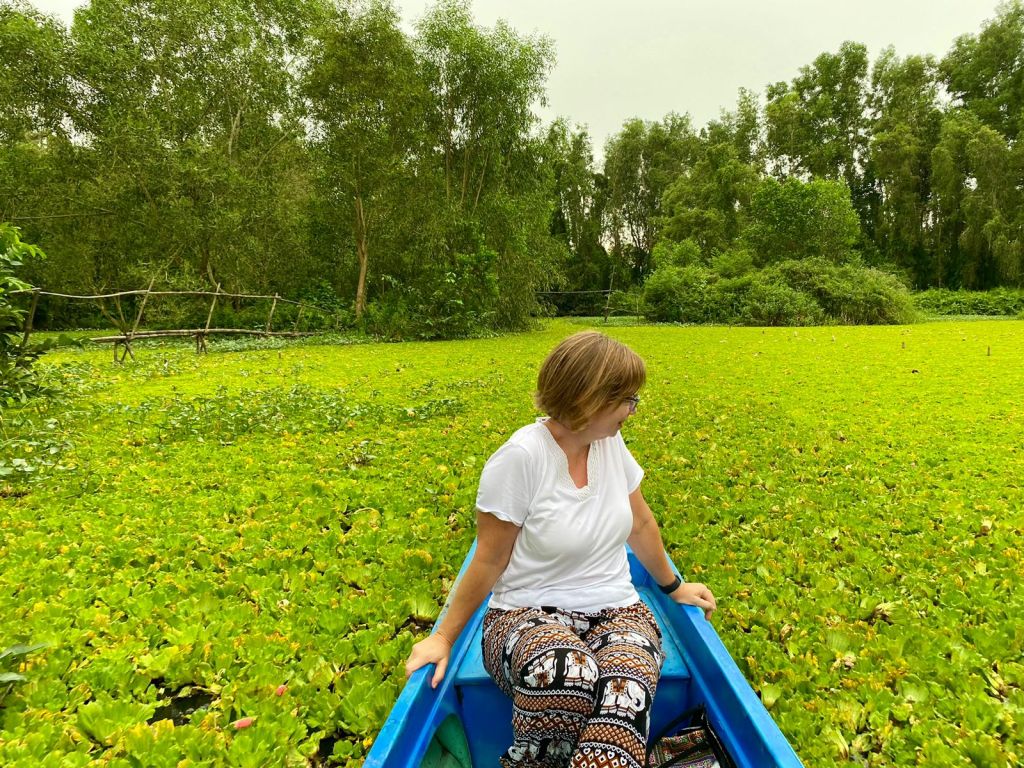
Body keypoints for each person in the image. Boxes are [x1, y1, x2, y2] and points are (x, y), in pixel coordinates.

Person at [404, 331, 717, 768]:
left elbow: (641, 523)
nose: (633, 409)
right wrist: (442, 637)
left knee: (624, 691)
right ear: (589, 399)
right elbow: (489, 559)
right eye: (627, 398)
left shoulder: (611, 445)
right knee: (566, 671)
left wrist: (673, 587)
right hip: (523, 613)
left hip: (618, 609)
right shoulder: (520, 459)